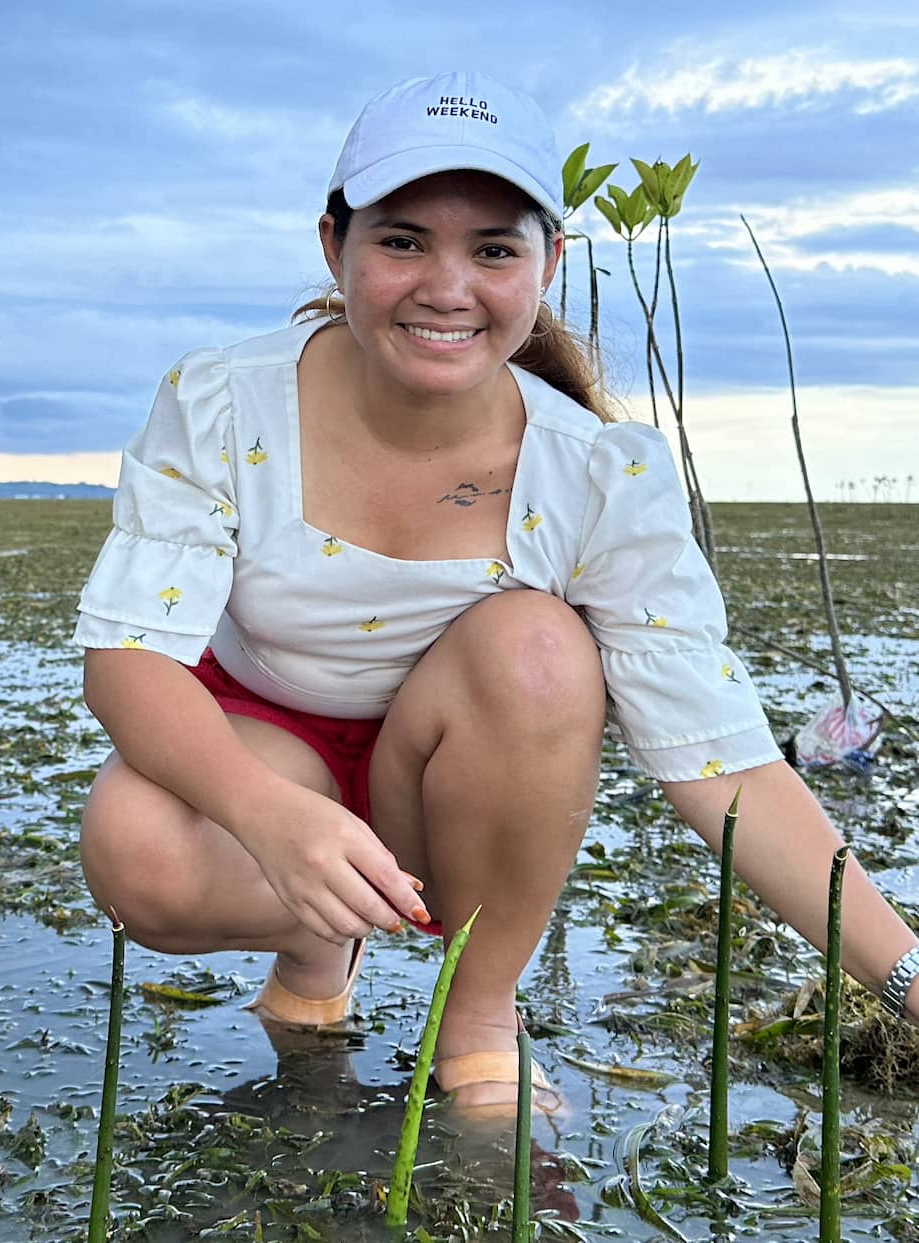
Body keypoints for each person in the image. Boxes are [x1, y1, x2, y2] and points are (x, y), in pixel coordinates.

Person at [74, 70, 919, 1116]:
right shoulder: (218, 400)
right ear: (334, 244)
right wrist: (271, 818)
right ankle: (313, 933)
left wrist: (907, 976)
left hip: (450, 774)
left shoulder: (599, 473)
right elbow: (129, 657)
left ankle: (477, 1012)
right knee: (135, 844)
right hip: (267, 736)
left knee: (538, 647)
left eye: (493, 249)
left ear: (549, 264)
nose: (446, 287)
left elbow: (724, 759)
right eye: (402, 240)